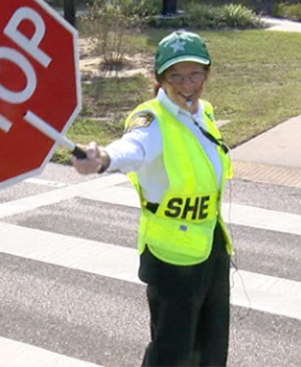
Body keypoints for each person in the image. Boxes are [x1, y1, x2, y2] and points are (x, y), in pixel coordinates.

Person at [72, 30, 233, 366]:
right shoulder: (152, 121)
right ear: (159, 78)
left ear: (207, 73)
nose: (187, 83)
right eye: (176, 75)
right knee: (171, 353)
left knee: (212, 344)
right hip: (172, 257)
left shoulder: (203, 113)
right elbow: (132, 148)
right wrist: (102, 159)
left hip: (211, 246)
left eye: (195, 73)